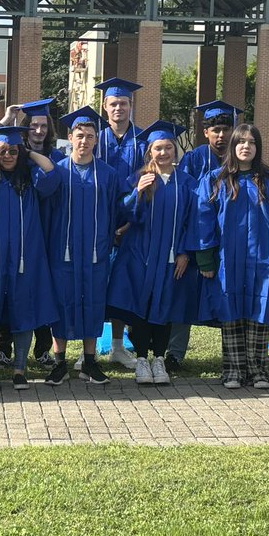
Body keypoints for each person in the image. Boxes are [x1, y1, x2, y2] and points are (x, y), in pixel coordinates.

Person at [197, 124, 269, 390]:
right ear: (233, 146)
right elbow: (203, 220)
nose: (246, 147)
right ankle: (232, 370)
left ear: (258, 147)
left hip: (264, 259)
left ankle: (258, 370)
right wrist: (206, 258)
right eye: (240, 142)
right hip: (226, 259)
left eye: (251, 142)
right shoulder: (215, 180)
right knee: (230, 310)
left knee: (259, 309)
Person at [0, 125, 58, 391]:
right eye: (3, 151)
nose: (8, 155)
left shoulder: (29, 180)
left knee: (23, 309)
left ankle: (20, 369)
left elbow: (52, 172)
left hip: (24, 257)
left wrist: (27, 152)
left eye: (12, 151)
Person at [107, 121, 198, 386]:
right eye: (158, 148)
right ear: (150, 151)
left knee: (165, 305)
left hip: (171, 258)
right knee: (140, 307)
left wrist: (185, 253)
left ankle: (160, 359)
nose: (163, 153)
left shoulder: (188, 183)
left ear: (175, 151)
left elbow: (193, 221)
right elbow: (124, 213)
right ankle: (143, 361)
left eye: (168, 147)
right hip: (139, 254)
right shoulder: (138, 178)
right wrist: (137, 193)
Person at [41, 108, 123, 386]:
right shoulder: (58, 172)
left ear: (97, 140)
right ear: (70, 137)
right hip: (62, 251)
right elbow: (47, 212)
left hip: (96, 252)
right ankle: (59, 363)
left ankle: (90, 363)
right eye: (80, 136)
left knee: (94, 303)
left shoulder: (109, 174)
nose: (84, 141)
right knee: (61, 303)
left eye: (90, 136)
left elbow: (116, 210)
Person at [168, 99, 242, 370]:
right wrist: (185, 250)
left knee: (229, 298)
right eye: (216, 130)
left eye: (225, 129)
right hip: (195, 239)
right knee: (184, 299)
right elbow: (184, 206)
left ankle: (232, 356)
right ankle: (175, 354)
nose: (221, 135)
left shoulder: (242, 159)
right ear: (206, 131)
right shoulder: (193, 159)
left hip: (229, 245)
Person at [0, 98, 64, 368]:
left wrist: (27, 153)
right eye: (33, 125)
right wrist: (5, 124)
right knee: (10, 288)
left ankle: (43, 348)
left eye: (43, 125)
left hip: (45, 231)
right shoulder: (11, 158)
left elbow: (53, 180)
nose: (39, 130)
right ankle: (3, 347)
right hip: (17, 232)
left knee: (41, 290)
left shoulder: (54, 156)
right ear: (25, 128)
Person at [94, 78, 144, 370]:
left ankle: (116, 347)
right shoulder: (94, 138)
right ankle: (87, 349)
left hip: (131, 226)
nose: (118, 108)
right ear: (105, 106)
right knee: (93, 285)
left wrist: (125, 226)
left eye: (123, 103)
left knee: (121, 287)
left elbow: (145, 184)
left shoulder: (142, 141)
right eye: (113, 104)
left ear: (130, 105)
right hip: (97, 225)